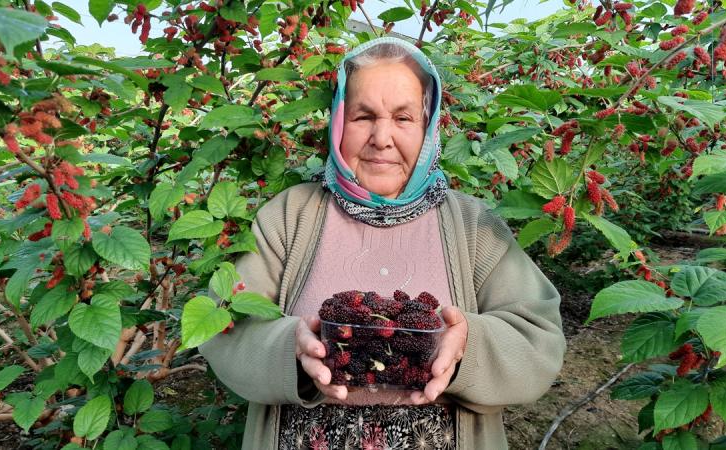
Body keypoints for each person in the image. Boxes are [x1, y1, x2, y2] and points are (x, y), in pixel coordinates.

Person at [198, 36, 566, 449]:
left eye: (404, 118)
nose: (382, 138)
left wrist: (468, 347)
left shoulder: (473, 226)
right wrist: (291, 351)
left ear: (428, 128)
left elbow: (540, 341)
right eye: (363, 116)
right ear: (338, 121)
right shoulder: (288, 216)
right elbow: (225, 325)